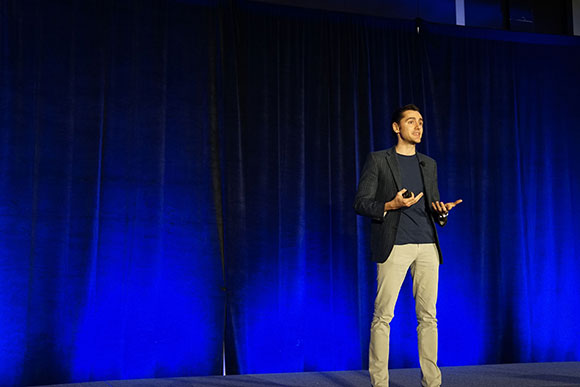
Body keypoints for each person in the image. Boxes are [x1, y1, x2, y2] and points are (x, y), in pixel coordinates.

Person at [353, 104, 462, 387]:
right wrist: (392, 204)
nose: (418, 127)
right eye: (411, 122)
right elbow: (361, 203)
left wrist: (442, 211)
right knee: (383, 317)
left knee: (429, 317)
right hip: (395, 245)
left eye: (421, 122)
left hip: (427, 245)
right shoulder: (378, 160)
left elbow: (433, 205)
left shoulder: (429, 163)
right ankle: (380, 383)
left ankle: (432, 382)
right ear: (396, 127)